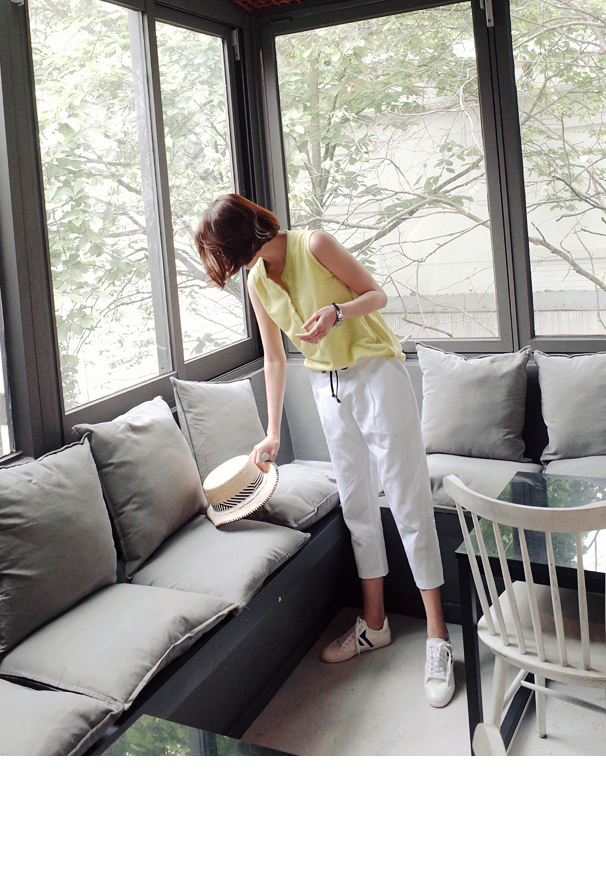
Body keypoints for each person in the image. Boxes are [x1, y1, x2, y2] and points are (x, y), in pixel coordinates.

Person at [195, 193, 455, 708]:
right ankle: (374, 625)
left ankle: (438, 636)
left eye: (224, 252)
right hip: (326, 387)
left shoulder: (314, 244)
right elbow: (274, 358)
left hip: (376, 372)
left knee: (407, 501)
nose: (228, 265)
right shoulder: (257, 281)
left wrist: (339, 311)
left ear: (243, 237)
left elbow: (377, 295)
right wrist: (272, 431)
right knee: (356, 506)